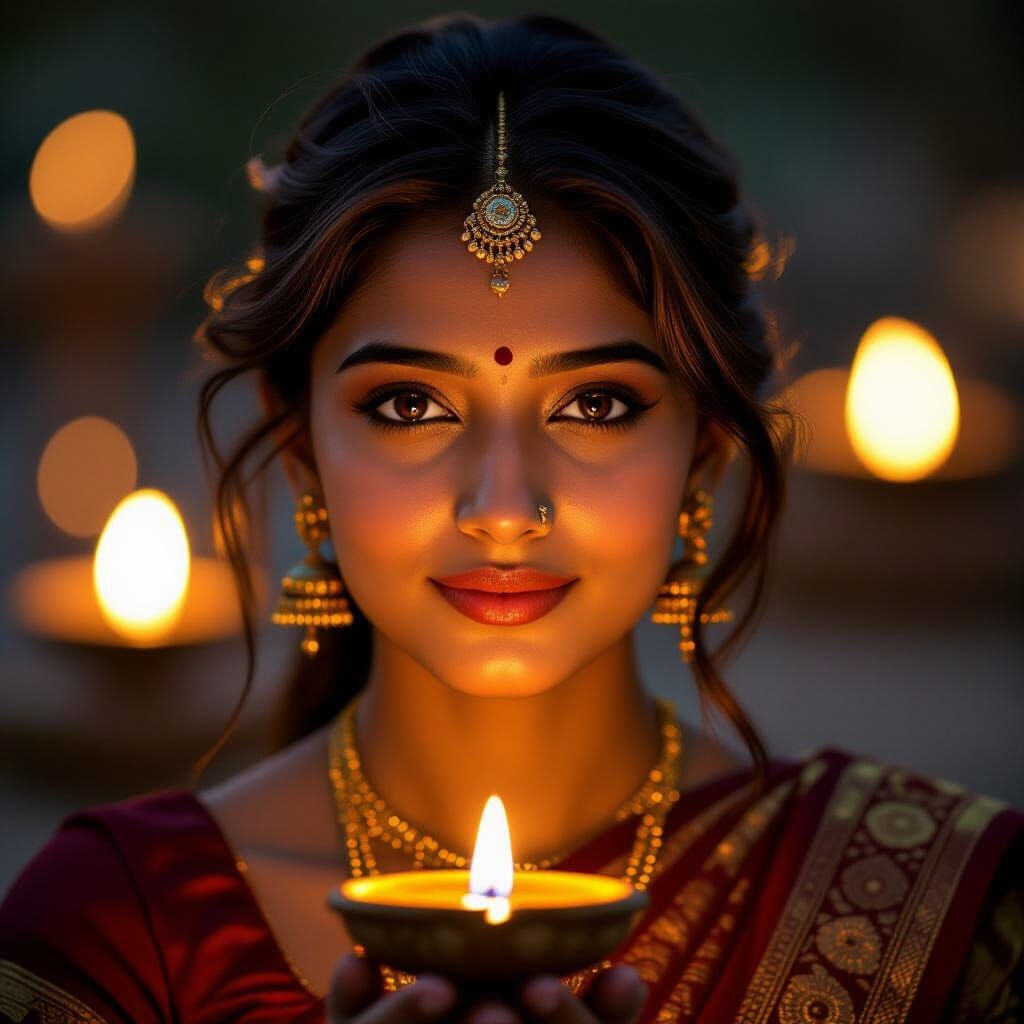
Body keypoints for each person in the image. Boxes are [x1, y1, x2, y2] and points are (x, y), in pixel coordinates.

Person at [1, 12, 1021, 1023]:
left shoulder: (939, 912)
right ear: (302, 439)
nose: (501, 510)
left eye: (596, 406)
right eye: (408, 406)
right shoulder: (117, 932)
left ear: (704, 449)